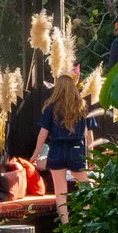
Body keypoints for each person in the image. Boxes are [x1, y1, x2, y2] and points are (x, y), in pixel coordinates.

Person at [31, 73, 94, 211]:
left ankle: (65, 226)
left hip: (56, 150)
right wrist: (91, 155)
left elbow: (43, 133)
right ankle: (89, 221)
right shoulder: (83, 107)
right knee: (86, 188)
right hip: (77, 149)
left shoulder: (50, 108)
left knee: (60, 192)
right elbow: (89, 134)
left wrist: (36, 153)